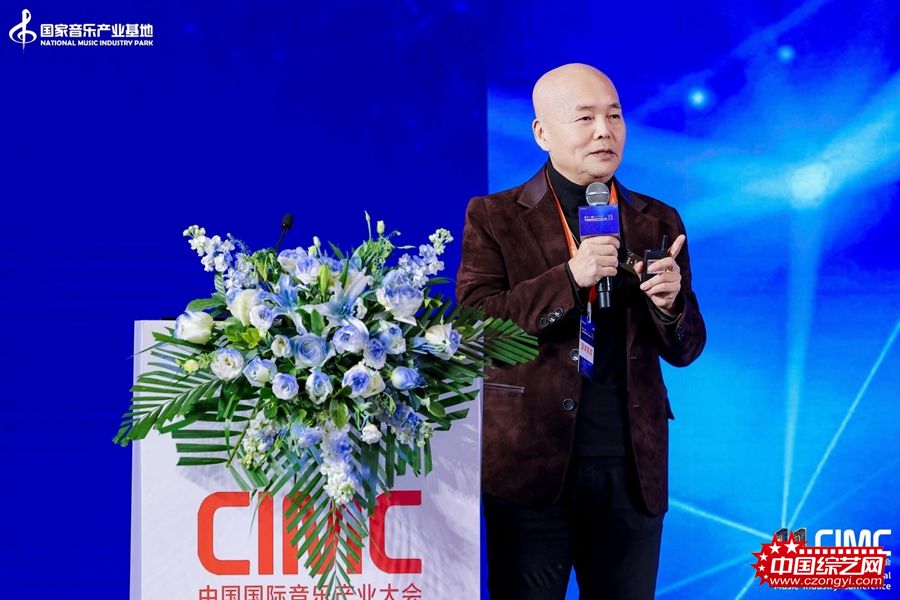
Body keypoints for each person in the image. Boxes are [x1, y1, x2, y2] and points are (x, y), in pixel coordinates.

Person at [455, 63, 706, 599]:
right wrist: (569, 277)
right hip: (530, 466)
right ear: (543, 133)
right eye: (585, 118)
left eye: (614, 116)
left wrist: (671, 306)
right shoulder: (495, 216)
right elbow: (475, 331)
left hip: (630, 465)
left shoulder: (659, 219)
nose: (604, 131)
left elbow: (687, 347)